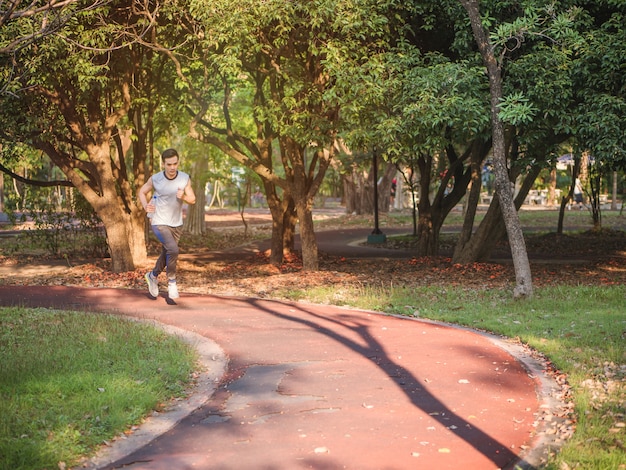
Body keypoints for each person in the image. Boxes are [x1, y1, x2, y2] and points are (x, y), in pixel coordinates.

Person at [138, 148, 196, 299]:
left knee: (168, 252)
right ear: (163, 164)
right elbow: (142, 192)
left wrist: (183, 196)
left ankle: (152, 275)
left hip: (176, 223)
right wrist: (146, 206)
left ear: (178, 163)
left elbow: (193, 199)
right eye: (169, 164)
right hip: (158, 221)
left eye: (175, 164)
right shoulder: (156, 179)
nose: (172, 167)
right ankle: (172, 282)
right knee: (173, 250)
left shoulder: (184, 178)